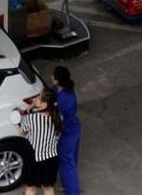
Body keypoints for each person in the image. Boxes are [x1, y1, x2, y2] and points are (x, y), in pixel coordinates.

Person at [19, 90, 62, 195]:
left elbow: (21, 133)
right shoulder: (59, 117)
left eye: (38, 98)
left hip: (34, 158)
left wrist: (29, 109)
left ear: (45, 104)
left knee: (31, 188)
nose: (35, 100)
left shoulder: (32, 118)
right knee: (48, 188)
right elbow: (57, 136)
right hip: (51, 158)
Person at [53, 65, 81, 195]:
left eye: (53, 76)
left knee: (67, 164)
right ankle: (67, 187)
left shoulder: (64, 100)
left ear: (57, 80)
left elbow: (59, 120)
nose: (51, 76)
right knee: (69, 161)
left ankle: (72, 191)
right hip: (73, 129)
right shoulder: (64, 90)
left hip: (67, 133)